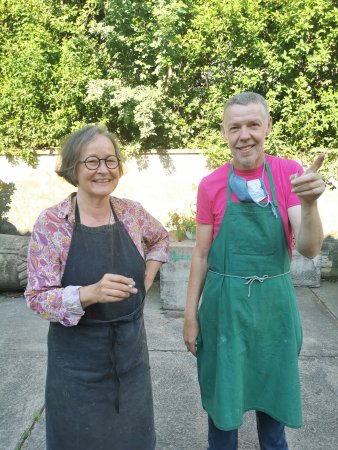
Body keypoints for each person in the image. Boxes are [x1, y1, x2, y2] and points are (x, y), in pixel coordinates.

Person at [183, 92, 326, 450]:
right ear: (224, 132)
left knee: (273, 409)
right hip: (223, 309)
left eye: (252, 125)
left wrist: (308, 204)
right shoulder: (211, 185)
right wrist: (189, 316)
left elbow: (308, 248)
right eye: (235, 127)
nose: (244, 135)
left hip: (273, 310)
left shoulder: (289, 174)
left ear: (268, 126)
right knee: (223, 410)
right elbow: (200, 255)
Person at [25, 124, 169, 450]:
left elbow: (160, 238)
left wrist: (147, 279)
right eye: (92, 162)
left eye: (110, 160)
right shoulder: (52, 223)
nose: (103, 170)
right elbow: (37, 298)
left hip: (130, 356)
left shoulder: (131, 213)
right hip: (76, 366)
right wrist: (89, 293)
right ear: (74, 168)